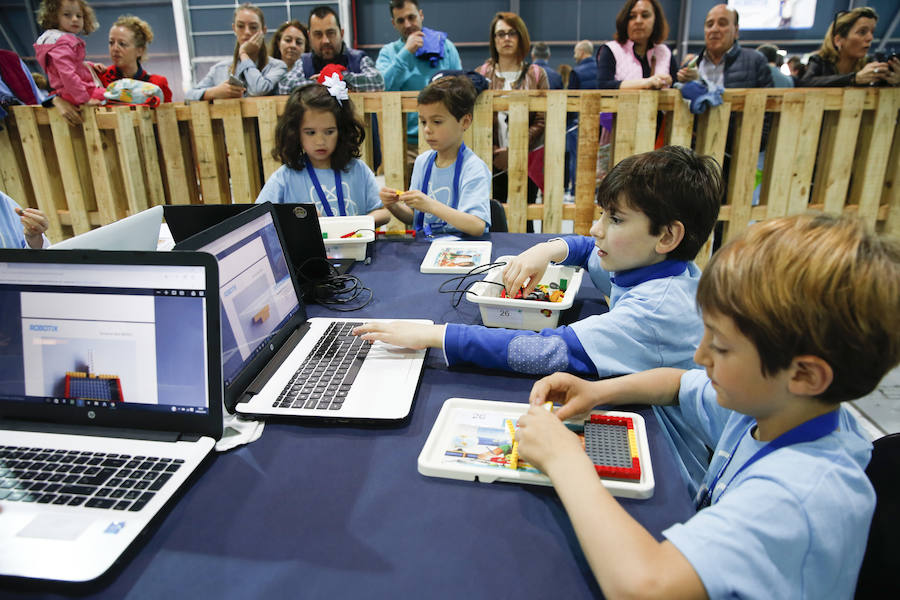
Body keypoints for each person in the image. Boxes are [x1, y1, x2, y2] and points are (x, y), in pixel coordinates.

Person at [517, 212, 900, 598]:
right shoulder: (776, 406)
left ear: (805, 375)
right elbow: (676, 381)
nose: (700, 356)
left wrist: (565, 459)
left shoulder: (801, 496)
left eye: (720, 345)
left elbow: (643, 588)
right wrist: (597, 392)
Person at [356, 146, 722, 492]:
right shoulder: (652, 263)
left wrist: (433, 335)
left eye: (615, 219)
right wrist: (546, 249)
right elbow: (584, 248)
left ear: (668, 236)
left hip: (672, 463)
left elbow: (546, 351)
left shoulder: (658, 309)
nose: (597, 229)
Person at [255, 82, 389, 226]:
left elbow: (383, 213)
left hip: (355, 248)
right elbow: (259, 220)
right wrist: (295, 221)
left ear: (342, 131)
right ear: (294, 133)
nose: (320, 141)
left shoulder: (358, 170)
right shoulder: (284, 177)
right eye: (310, 132)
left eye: (329, 132)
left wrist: (357, 224)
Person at [377, 76, 491, 237]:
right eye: (423, 122)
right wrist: (393, 206)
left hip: (464, 251)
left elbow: (476, 225)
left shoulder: (473, 168)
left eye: (437, 122)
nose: (427, 130)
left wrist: (430, 205)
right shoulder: (422, 162)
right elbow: (414, 216)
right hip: (427, 248)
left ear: (465, 122)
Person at [474, 12, 547, 229]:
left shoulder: (536, 74)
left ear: (521, 37)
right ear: (493, 40)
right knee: (494, 217)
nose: (506, 38)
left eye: (511, 33)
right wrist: (496, 151)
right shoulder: (482, 74)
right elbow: (477, 120)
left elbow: (543, 120)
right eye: (500, 34)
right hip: (490, 160)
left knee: (526, 216)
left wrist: (515, 150)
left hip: (528, 159)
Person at [376, 0, 461, 176]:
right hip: (404, 144)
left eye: (411, 17)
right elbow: (381, 86)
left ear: (421, 15)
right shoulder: (389, 52)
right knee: (405, 200)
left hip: (445, 140)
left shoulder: (446, 47)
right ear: (393, 23)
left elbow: (461, 87)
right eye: (400, 20)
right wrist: (406, 53)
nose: (407, 24)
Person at [186, 3, 286, 101]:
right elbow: (189, 95)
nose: (247, 32)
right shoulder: (220, 69)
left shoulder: (276, 66)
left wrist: (243, 53)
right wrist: (214, 92)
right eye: (241, 26)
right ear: (234, 29)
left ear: (263, 30)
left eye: (253, 27)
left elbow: (258, 90)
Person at [278, 6, 383, 94]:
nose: (325, 40)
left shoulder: (359, 59)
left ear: (341, 33)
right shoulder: (304, 62)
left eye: (331, 33)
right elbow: (285, 86)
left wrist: (340, 79)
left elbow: (378, 82)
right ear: (309, 36)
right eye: (318, 34)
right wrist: (322, 82)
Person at [33, 0, 105, 126]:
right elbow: (67, 74)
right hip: (77, 92)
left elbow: (69, 64)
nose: (75, 19)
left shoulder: (53, 42)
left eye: (79, 15)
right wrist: (84, 98)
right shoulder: (63, 43)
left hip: (66, 92)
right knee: (114, 95)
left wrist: (90, 65)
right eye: (67, 15)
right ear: (54, 17)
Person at [676, 4, 772, 89]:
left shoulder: (755, 61)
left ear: (736, 31)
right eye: (709, 25)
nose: (714, 29)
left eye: (722, 24)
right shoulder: (689, 67)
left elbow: (770, 103)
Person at [801, 7, 900, 87]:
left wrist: (895, 83)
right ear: (838, 40)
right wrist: (853, 79)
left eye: (872, 32)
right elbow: (806, 83)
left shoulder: (871, 65)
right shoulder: (820, 61)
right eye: (862, 32)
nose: (870, 37)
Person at [597, 0, 675, 90]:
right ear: (625, 21)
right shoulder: (611, 50)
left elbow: (676, 85)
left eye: (645, 15)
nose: (638, 21)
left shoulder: (664, 52)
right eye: (632, 16)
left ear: (656, 20)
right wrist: (645, 83)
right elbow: (603, 86)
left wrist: (686, 78)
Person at [94, 15, 172, 102]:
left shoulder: (157, 84)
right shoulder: (100, 78)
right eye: (111, 42)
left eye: (122, 44)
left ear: (139, 51)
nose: (115, 48)